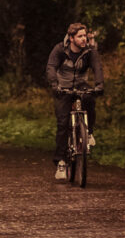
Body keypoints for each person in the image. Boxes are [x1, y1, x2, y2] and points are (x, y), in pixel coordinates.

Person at [45, 23, 104, 182]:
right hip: (62, 88)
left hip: (80, 85)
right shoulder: (59, 50)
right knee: (63, 123)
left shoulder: (90, 51)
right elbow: (51, 67)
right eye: (80, 36)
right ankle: (61, 163)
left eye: (85, 36)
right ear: (71, 38)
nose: (84, 39)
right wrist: (54, 84)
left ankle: (89, 132)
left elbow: (97, 67)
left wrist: (99, 84)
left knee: (90, 100)